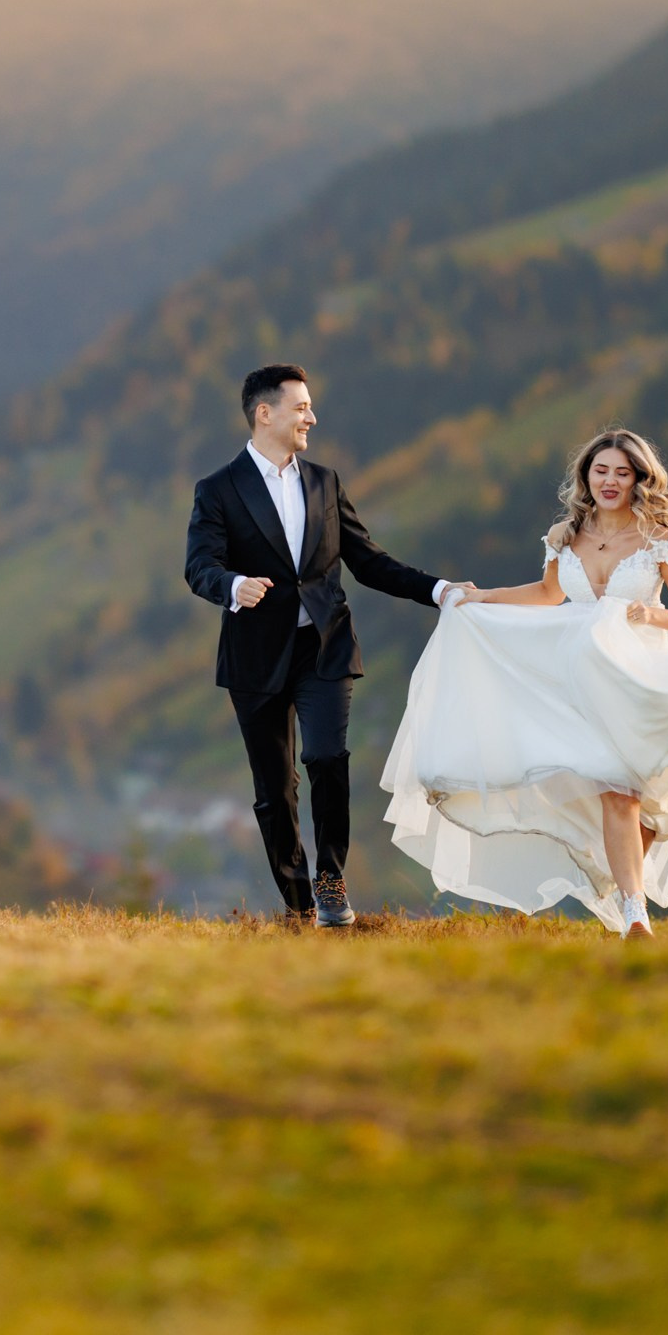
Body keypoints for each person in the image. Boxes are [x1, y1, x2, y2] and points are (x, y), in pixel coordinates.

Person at [380, 427, 668, 937]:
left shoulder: (660, 539)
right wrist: (481, 599)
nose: (610, 481)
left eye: (622, 472)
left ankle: (615, 877)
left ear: (639, 479)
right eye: (601, 470)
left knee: (651, 803)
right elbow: (547, 595)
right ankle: (637, 917)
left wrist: (647, 615)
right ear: (586, 475)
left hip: (640, 682)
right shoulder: (566, 535)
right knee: (616, 791)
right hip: (578, 686)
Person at [185, 364, 464, 926]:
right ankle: (297, 903)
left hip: (323, 648)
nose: (311, 416)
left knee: (326, 759)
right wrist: (234, 586)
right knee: (274, 789)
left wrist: (438, 590)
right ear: (266, 413)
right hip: (254, 658)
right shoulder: (217, 489)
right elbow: (199, 567)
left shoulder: (324, 482)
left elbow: (368, 562)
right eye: (301, 406)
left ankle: (331, 882)